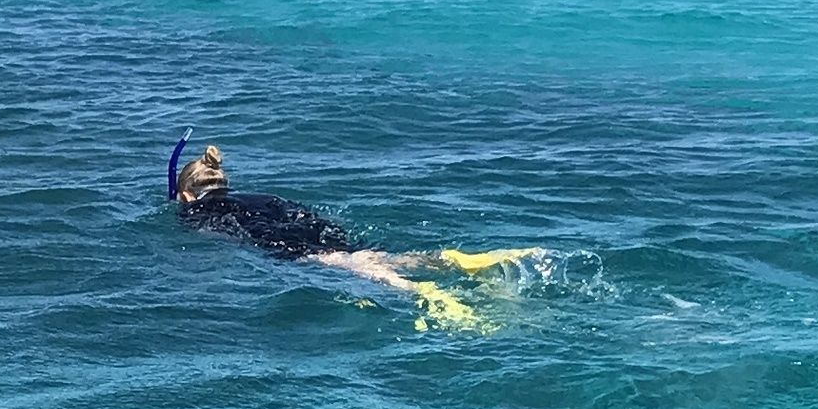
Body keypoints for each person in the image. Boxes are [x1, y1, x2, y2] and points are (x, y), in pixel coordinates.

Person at [168, 142, 544, 330]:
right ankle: (454, 260)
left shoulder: (196, 210)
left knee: (355, 267)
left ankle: (427, 293)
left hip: (288, 244)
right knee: (363, 254)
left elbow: (231, 235)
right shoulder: (261, 196)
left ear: (187, 194)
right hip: (318, 229)